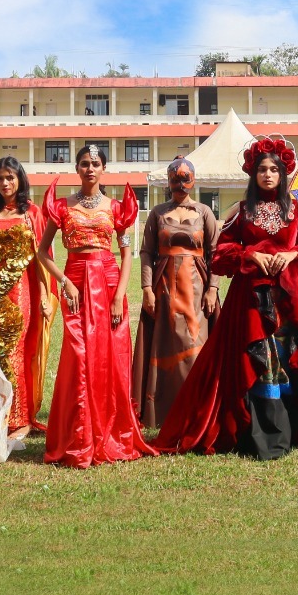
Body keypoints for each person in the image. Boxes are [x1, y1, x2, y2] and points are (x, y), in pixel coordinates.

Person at [155, 136, 298, 459]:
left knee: (290, 357)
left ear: (283, 173)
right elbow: (221, 253)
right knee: (258, 359)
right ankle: (260, 432)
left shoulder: (297, 209)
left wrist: (291, 254)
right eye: (262, 170)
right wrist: (251, 254)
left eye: (274, 170)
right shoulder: (242, 210)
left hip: (289, 297)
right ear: (253, 173)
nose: (268, 175)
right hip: (250, 298)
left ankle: (297, 426)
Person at [36, 145, 156, 468]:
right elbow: (43, 252)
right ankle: (78, 436)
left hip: (108, 282)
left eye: (96, 163)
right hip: (75, 282)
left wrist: (119, 295)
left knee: (110, 358)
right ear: (77, 168)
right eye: (85, 163)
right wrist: (64, 281)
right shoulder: (62, 207)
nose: (90, 168)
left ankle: (110, 432)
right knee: (78, 357)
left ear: (104, 169)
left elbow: (127, 254)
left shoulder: (116, 208)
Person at [132, 158, 220, 428]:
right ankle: (163, 410)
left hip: (197, 288)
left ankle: (196, 410)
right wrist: (146, 288)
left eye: (185, 178)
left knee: (196, 346)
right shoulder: (157, 213)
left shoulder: (205, 212)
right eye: (175, 178)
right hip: (164, 287)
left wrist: (213, 288)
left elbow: (216, 252)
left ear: (194, 179)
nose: (180, 184)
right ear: (168, 181)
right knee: (166, 342)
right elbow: (146, 252)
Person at [0, 156, 54, 440]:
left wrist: (44, 296)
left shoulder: (32, 213)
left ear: (20, 179)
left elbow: (43, 257)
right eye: (0, 178)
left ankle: (19, 419)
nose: (5, 183)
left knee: (14, 350)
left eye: (10, 177)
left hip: (21, 293)